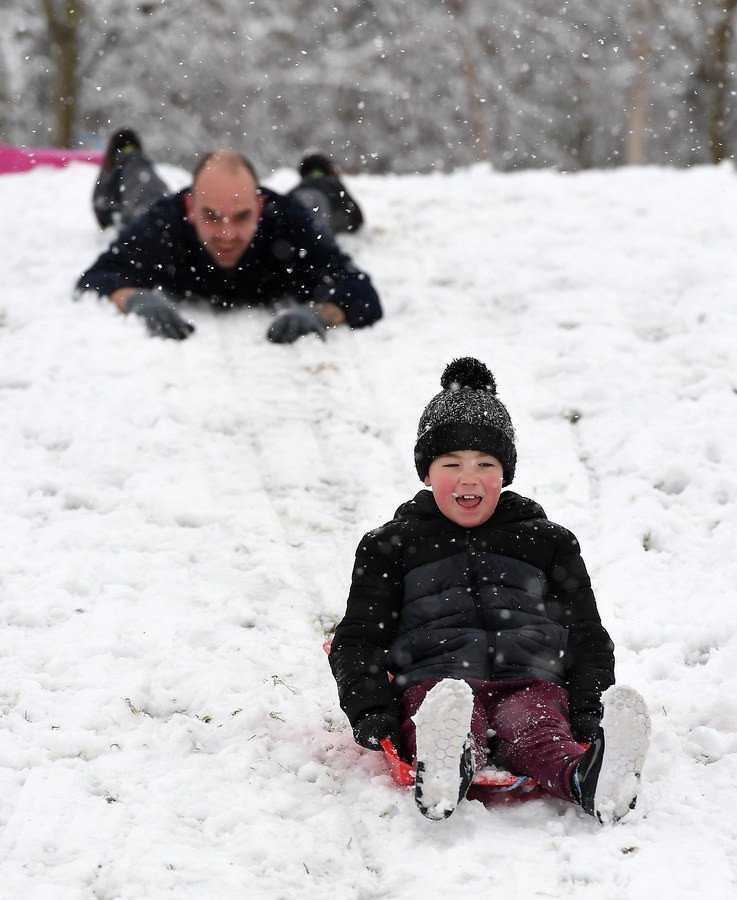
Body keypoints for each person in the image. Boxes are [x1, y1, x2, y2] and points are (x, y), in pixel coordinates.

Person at [329, 357, 651, 823]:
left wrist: (587, 710)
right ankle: (447, 765)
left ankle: (592, 780)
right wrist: (371, 711)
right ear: (426, 472)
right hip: (435, 678)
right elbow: (358, 639)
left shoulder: (548, 541)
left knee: (538, 732)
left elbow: (585, 634)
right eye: (451, 463)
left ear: (506, 473)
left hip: (531, 677)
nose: (469, 477)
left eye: (486, 463)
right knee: (449, 716)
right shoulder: (390, 545)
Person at [77, 129, 381, 342]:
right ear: (190, 207)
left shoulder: (288, 221)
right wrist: (134, 299)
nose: (226, 234)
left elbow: (361, 292)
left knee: (312, 205)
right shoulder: (165, 223)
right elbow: (97, 276)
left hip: (294, 211)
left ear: (259, 205)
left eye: (241, 216)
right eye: (211, 216)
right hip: (161, 209)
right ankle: (128, 159)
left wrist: (323, 314)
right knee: (142, 197)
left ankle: (320, 177)